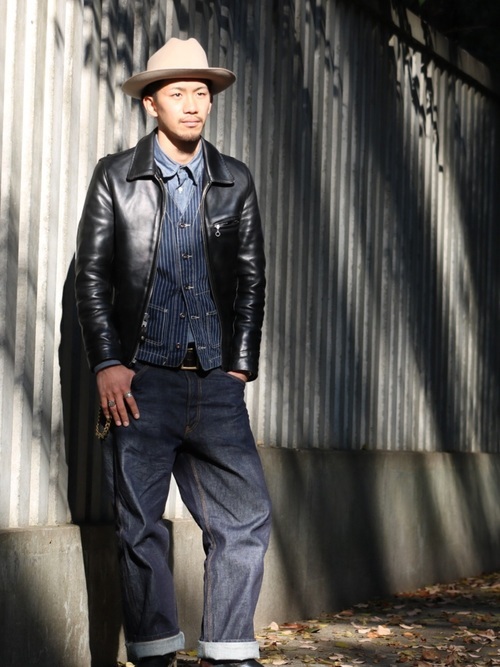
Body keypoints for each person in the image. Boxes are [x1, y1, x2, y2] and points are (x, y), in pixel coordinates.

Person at [75, 37, 271, 667]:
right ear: (151, 103)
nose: (192, 104)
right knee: (140, 527)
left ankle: (230, 654)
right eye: (178, 92)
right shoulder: (115, 176)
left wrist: (239, 366)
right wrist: (108, 363)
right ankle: (156, 656)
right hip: (141, 383)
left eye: (202, 93)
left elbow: (251, 278)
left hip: (215, 383)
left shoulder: (234, 179)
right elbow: (92, 278)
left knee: (245, 518)